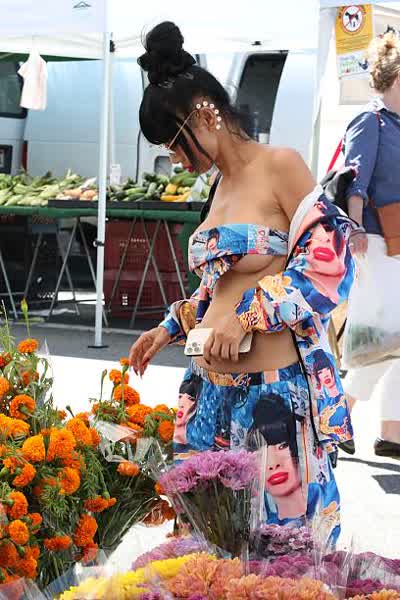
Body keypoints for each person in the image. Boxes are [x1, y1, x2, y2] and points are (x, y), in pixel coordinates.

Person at [129, 22, 355, 540]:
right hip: (208, 398)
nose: (177, 161)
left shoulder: (281, 165)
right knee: (212, 551)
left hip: (271, 400)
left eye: (176, 144)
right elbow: (217, 288)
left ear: (203, 113)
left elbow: (329, 261)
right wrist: (169, 327)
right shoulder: (219, 188)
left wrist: (250, 315)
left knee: (282, 552)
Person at [343, 31, 400, 458]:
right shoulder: (371, 120)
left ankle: (391, 433)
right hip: (376, 242)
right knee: (382, 339)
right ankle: (334, 418)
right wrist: (356, 229)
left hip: (395, 242)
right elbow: (354, 181)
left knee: (394, 339)